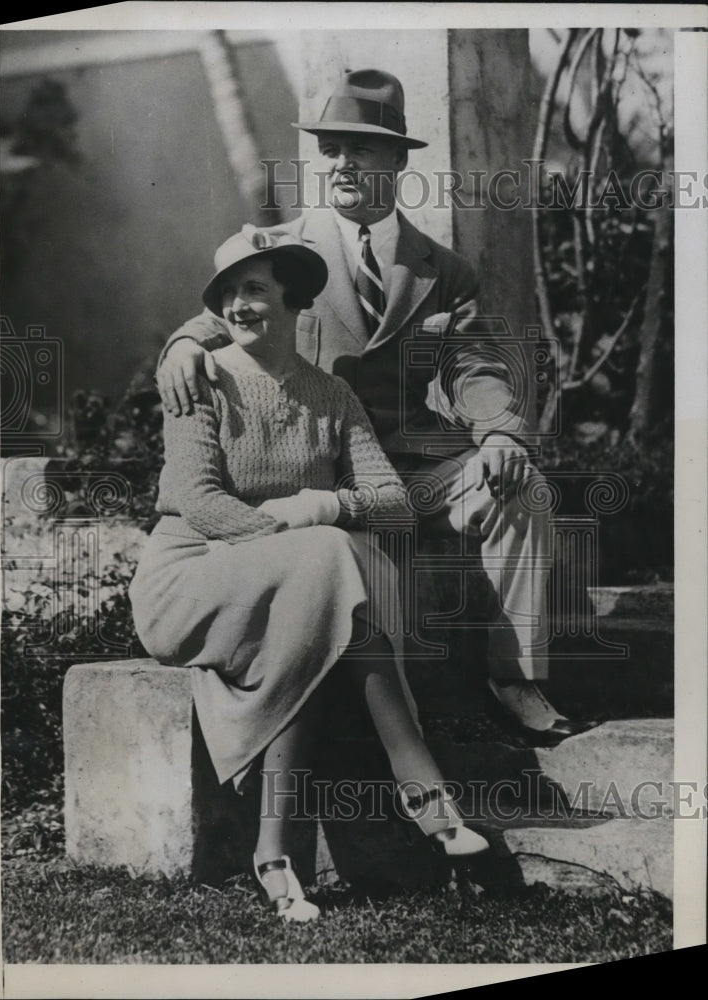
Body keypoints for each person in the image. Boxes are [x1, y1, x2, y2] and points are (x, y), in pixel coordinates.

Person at [156, 69, 596, 746]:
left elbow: (473, 367)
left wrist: (503, 435)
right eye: (330, 149)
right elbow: (226, 313)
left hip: (418, 474)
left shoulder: (441, 270)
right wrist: (184, 345)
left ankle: (516, 682)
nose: (341, 163)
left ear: (397, 160)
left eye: (359, 149)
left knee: (522, 489)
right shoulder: (285, 250)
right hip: (324, 479)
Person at [130, 227, 490, 923]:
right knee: (327, 560)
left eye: (256, 289)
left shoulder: (332, 396)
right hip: (190, 578)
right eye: (228, 293)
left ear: (294, 300)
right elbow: (200, 502)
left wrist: (326, 503)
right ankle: (425, 793)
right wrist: (299, 534)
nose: (239, 305)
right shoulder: (200, 381)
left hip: (289, 585)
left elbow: (392, 508)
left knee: (322, 588)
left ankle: (274, 856)